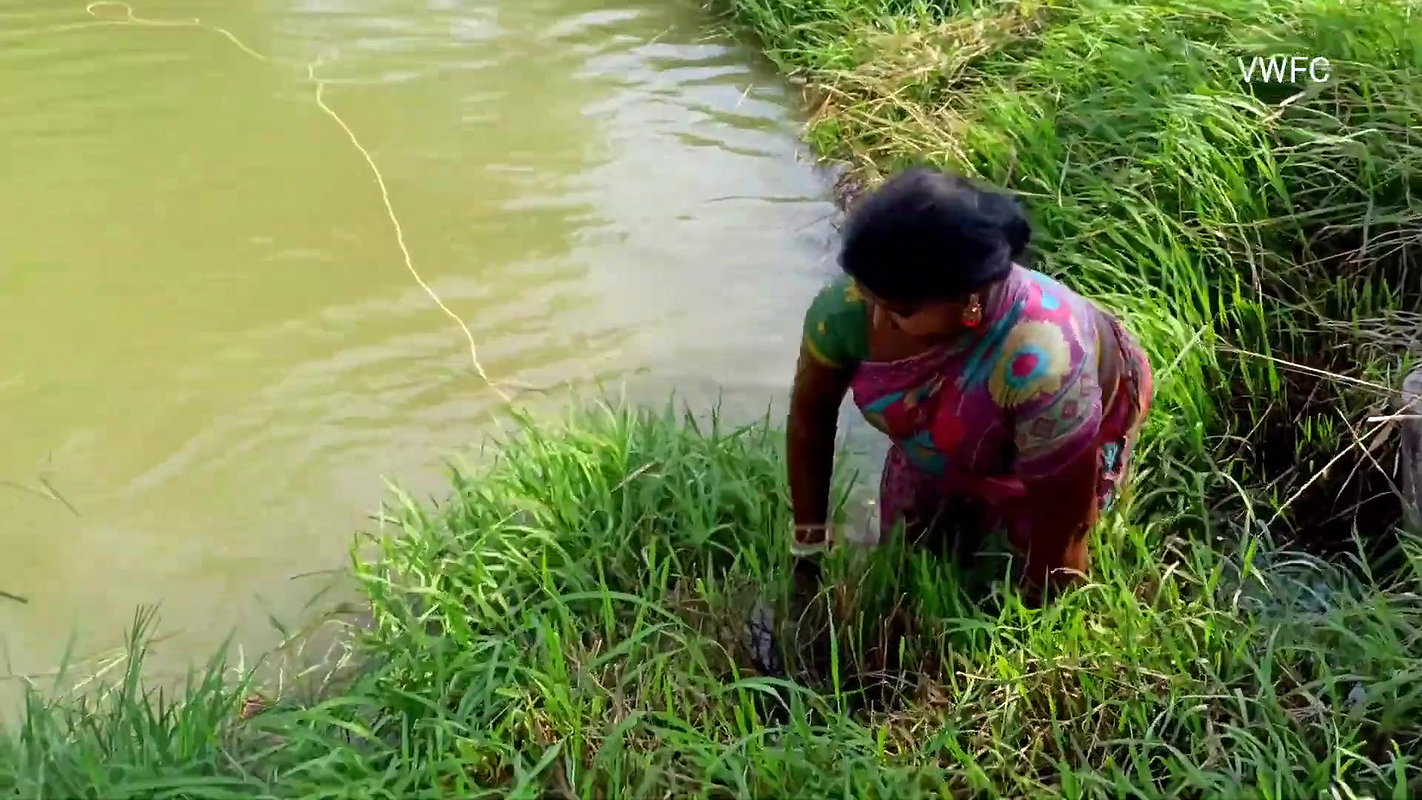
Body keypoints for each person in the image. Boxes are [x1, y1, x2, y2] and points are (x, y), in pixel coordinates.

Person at [786, 168, 1154, 606]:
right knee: (908, 564)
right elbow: (811, 418)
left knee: (1019, 563)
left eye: (899, 309)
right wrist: (808, 543)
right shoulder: (845, 311)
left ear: (969, 301)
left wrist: (1036, 618)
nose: (878, 320)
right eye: (870, 297)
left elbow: (1063, 530)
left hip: (1064, 432)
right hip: (942, 442)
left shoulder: (1043, 360)